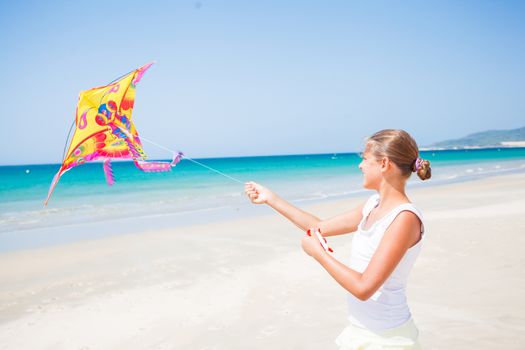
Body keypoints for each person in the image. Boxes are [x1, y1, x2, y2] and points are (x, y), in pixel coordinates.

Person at [244, 129, 431, 349]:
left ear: (384, 164)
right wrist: (271, 199)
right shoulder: (372, 205)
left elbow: (364, 288)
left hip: (388, 339)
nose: (360, 166)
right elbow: (317, 227)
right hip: (360, 331)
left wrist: (319, 254)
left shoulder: (404, 218)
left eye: (364, 159)